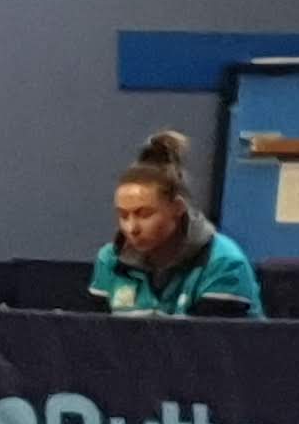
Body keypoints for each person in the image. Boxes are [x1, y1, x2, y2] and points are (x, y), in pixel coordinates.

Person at [94, 130, 263, 316]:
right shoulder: (110, 260)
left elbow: (212, 335)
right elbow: (92, 330)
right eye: (123, 215)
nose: (132, 228)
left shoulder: (223, 262)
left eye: (145, 214)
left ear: (178, 207)